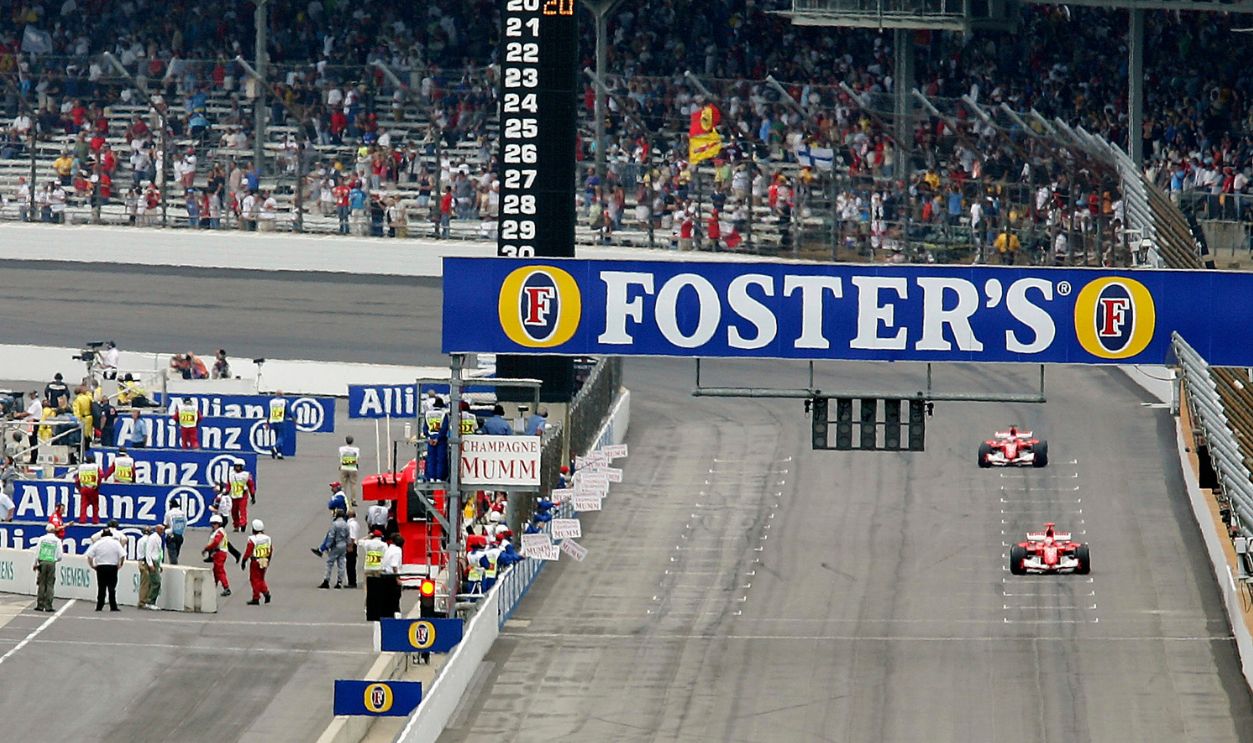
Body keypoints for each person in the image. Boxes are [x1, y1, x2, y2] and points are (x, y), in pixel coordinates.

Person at [85, 528, 125, 611]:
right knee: (112, 587)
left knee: (101, 587)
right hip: (112, 566)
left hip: (101, 566)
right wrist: (120, 564)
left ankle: (99, 606)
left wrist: (92, 565)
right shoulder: (116, 543)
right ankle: (113, 606)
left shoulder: (98, 543)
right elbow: (122, 554)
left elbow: (89, 556)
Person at [313, 510, 350, 589]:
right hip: (343, 545)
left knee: (329, 563)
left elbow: (331, 536)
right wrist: (348, 544)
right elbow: (348, 536)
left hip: (336, 545)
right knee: (341, 564)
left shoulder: (335, 524)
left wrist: (327, 546)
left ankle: (326, 581)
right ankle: (339, 582)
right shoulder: (346, 525)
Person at [240, 519, 272, 605]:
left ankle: (256, 597)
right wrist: (268, 560)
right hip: (264, 560)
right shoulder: (267, 538)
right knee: (261, 578)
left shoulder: (252, 539)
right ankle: (266, 592)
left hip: (255, 561)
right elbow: (270, 550)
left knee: (254, 579)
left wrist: (244, 561)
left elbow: (248, 551)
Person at [32, 523, 62, 612]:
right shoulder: (57, 540)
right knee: (50, 584)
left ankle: (40, 605)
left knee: (41, 583)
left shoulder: (42, 539)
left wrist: (35, 563)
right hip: (52, 562)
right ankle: (48, 605)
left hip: (42, 562)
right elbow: (60, 555)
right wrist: (55, 560)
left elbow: (37, 552)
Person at [360, 529, 388, 620]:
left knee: (367, 590)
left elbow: (359, 541)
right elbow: (386, 556)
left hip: (368, 568)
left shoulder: (368, 543)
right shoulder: (384, 545)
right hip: (379, 569)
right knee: (379, 589)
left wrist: (368, 536)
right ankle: (379, 607)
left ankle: (367, 607)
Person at [203, 514, 232, 596]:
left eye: (215, 523)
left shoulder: (219, 532)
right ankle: (213, 586)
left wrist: (207, 548)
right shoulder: (217, 531)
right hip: (217, 553)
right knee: (216, 570)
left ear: (219, 524)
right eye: (212, 523)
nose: (213, 525)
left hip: (220, 553)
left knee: (220, 571)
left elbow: (215, 542)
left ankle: (226, 588)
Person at [73, 451, 103, 525]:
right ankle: (95, 520)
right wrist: (98, 485)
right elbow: (101, 475)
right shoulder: (96, 467)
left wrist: (79, 488)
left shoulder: (81, 467)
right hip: (93, 488)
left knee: (83, 505)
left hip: (84, 488)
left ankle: (82, 520)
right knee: (95, 505)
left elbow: (76, 479)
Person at [380, 534, 405, 618]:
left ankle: (387, 615)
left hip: (385, 575)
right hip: (392, 577)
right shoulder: (397, 550)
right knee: (396, 599)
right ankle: (397, 616)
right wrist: (397, 579)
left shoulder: (389, 548)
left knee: (388, 599)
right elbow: (394, 565)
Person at [227, 462, 256, 532]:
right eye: (236, 466)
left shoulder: (246, 475)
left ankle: (243, 524)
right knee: (234, 511)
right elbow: (229, 484)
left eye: (239, 466)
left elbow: (251, 485)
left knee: (242, 510)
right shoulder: (231, 474)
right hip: (233, 495)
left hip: (243, 495)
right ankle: (236, 525)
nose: (237, 468)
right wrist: (226, 491)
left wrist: (253, 496)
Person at [142, 524, 165, 610]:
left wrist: (160, 564)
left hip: (156, 561)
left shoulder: (159, 538)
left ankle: (150, 601)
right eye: (161, 530)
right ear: (157, 529)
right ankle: (150, 601)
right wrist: (150, 564)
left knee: (154, 582)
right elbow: (148, 551)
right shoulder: (152, 538)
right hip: (153, 561)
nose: (163, 531)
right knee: (156, 582)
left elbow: (159, 552)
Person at [338, 435, 361, 505]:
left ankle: (342, 499)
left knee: (343, 485)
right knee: (353, 485)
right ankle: (353, 500)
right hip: (353, 468)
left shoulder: (341, 449)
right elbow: (357, 458)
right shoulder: (356, 450)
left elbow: (340, 457)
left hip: (344, 467)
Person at [164, 498, 187, 565]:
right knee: (176, 554)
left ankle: (174, 570)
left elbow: (165, 524)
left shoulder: (169, 513)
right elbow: (185, 523)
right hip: (180, 536)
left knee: (172, 555)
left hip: (171, 535)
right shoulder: (182, 514)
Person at [267, 392, 288, 459]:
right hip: (281, 421)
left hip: (273, 421)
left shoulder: (271, 402)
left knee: (277, 437)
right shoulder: (284, 401)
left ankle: (279, 453)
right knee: (282, 437)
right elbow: (289, 411)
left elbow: (269, 412)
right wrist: (294, 419)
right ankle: (275, 447)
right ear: (282, 395)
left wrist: (267, 422)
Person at [345, 509, 360, 589]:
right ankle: (352, 581)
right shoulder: (355, 523)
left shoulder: (351, 524)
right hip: (354, 544)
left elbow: (352, 536)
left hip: (351, 545)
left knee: (350, 564)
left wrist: (349, 546)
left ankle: (352, 582)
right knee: (351, 564)